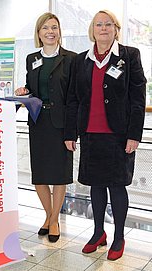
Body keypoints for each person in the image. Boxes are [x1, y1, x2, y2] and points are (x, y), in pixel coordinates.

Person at [64, 10, 146, 261]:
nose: (103, 28)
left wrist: (134, 135)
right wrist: (71, 133)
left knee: (117, 187)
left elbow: (138, 99)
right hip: (90, 133)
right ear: (92, 29)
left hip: (118, 135)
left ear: (116, 29)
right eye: (98, 24)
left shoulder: (130, 56)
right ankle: (99, 232)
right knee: (95, 186)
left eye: (108, 24)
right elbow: (74, 99)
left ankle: (119, 236)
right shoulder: (81, 60)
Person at [15, 12, 76, 243]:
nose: (50, 32)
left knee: (59, 175)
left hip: (61, 124)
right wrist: (24, 91)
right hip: (38, 121)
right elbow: (32, 87)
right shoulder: (31, 58)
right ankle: (49, 216)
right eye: (45, 28)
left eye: (54, 27)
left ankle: (53, 221)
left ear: (59, 31)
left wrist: (73, 131)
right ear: (38, 33)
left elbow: (74, 98)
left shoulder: (71, 58)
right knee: (40, 175)